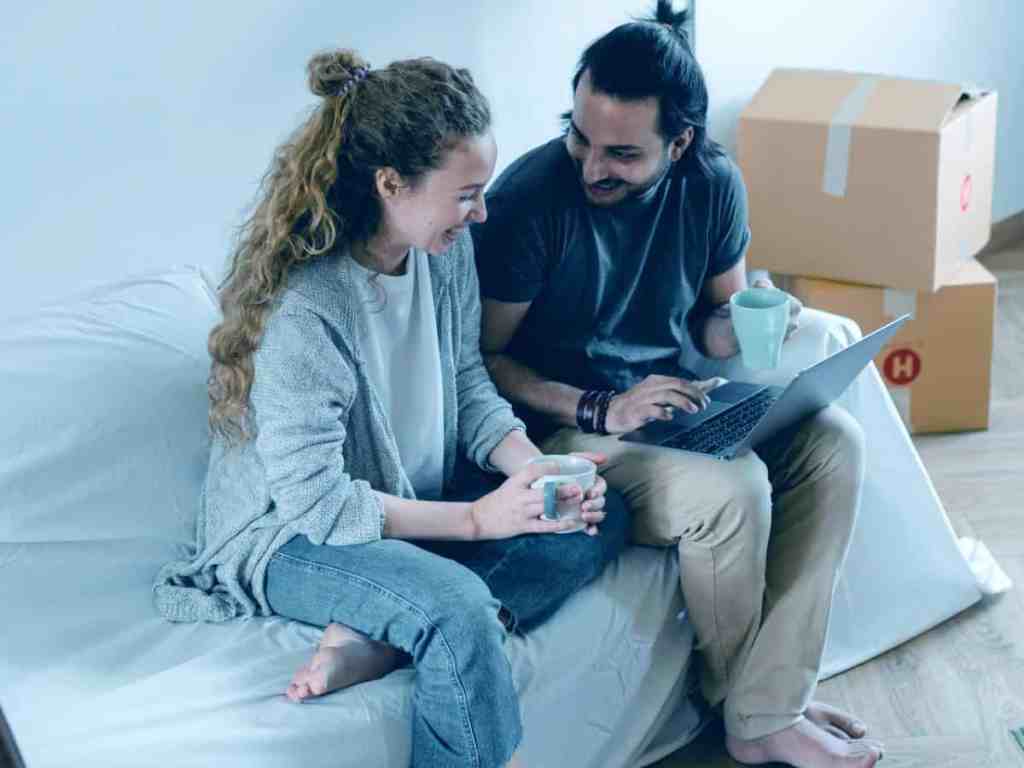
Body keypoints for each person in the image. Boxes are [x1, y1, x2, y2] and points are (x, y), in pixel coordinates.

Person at [153, 49, 631, 768]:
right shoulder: (306, 308)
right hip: (291, 538)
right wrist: (477, 519)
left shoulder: (444, 252)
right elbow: (316, 505)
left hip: (403, 501)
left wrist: (537, 474)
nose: (482, 211)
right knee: (459, 612)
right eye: (467, 193)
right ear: (391, 185)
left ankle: (377, 634)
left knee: (596, 514)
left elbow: (468, 382)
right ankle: (408, 623)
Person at [471, 4, 886, 767]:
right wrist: (604, 405)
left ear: (681, 141)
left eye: (622, 153)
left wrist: (753, 323)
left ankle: (769, 703)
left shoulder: (713, 183)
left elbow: (710, 323)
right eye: (579, 135)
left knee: (835, 446)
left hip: (670, 407)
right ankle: (753, 712)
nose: (592, 166)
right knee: (734, 497)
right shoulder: (531, 200)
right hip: (566, 429)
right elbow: (487, 362)